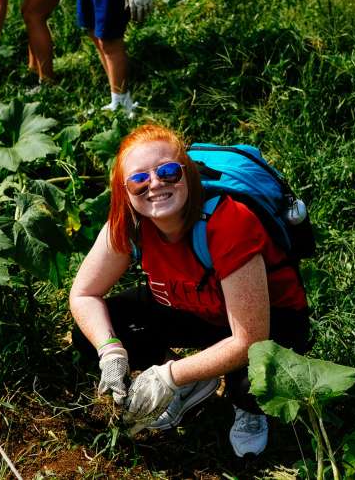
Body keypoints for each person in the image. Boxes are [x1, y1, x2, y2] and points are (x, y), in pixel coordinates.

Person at [69, 124, 310, 457]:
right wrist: (111, 351)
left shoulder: (228, 222)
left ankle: (245, 408)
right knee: (91, 334)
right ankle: (195, 379)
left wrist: (170, 376)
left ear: (188, 175)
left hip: (269, 320)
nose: (155, 185)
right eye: (139, 180)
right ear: (124, 191)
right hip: (193, 306)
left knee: (250, 384)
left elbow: (250, 338)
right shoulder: (130, 223)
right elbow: (83, 294)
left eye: (168, 172)